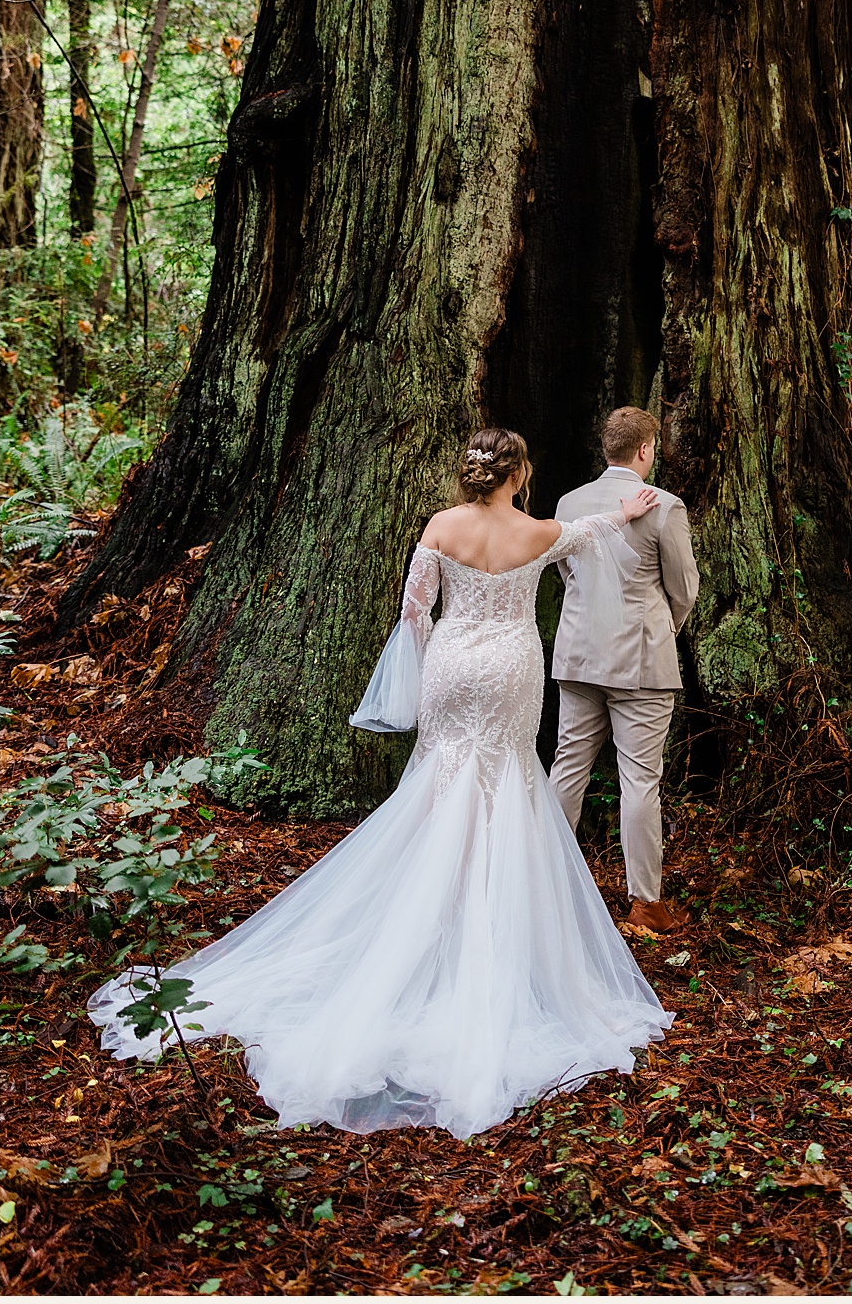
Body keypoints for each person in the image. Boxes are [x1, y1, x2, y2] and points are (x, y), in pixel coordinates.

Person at [88, 428, 674, 1138]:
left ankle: (425, 915)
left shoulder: (441, 525)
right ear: (517, 472)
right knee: (508, 786)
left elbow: (413, 609)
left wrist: (433, 661)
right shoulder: (541, 529)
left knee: (438, 785)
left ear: (472, 471)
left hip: (454, 666)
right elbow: (587, 530)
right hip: (515, 669)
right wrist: (628, 510)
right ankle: (489, 927)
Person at [547, 406, 700, 935]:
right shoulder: (665, 507)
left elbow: (567, 572)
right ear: (643, 450)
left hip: (579, 653)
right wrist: (663, 629)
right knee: (639, 779)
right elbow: (684, 588)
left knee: (569, 765)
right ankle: (645, 902)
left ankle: (548, 879)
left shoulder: (569, 502)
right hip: (641, 661)